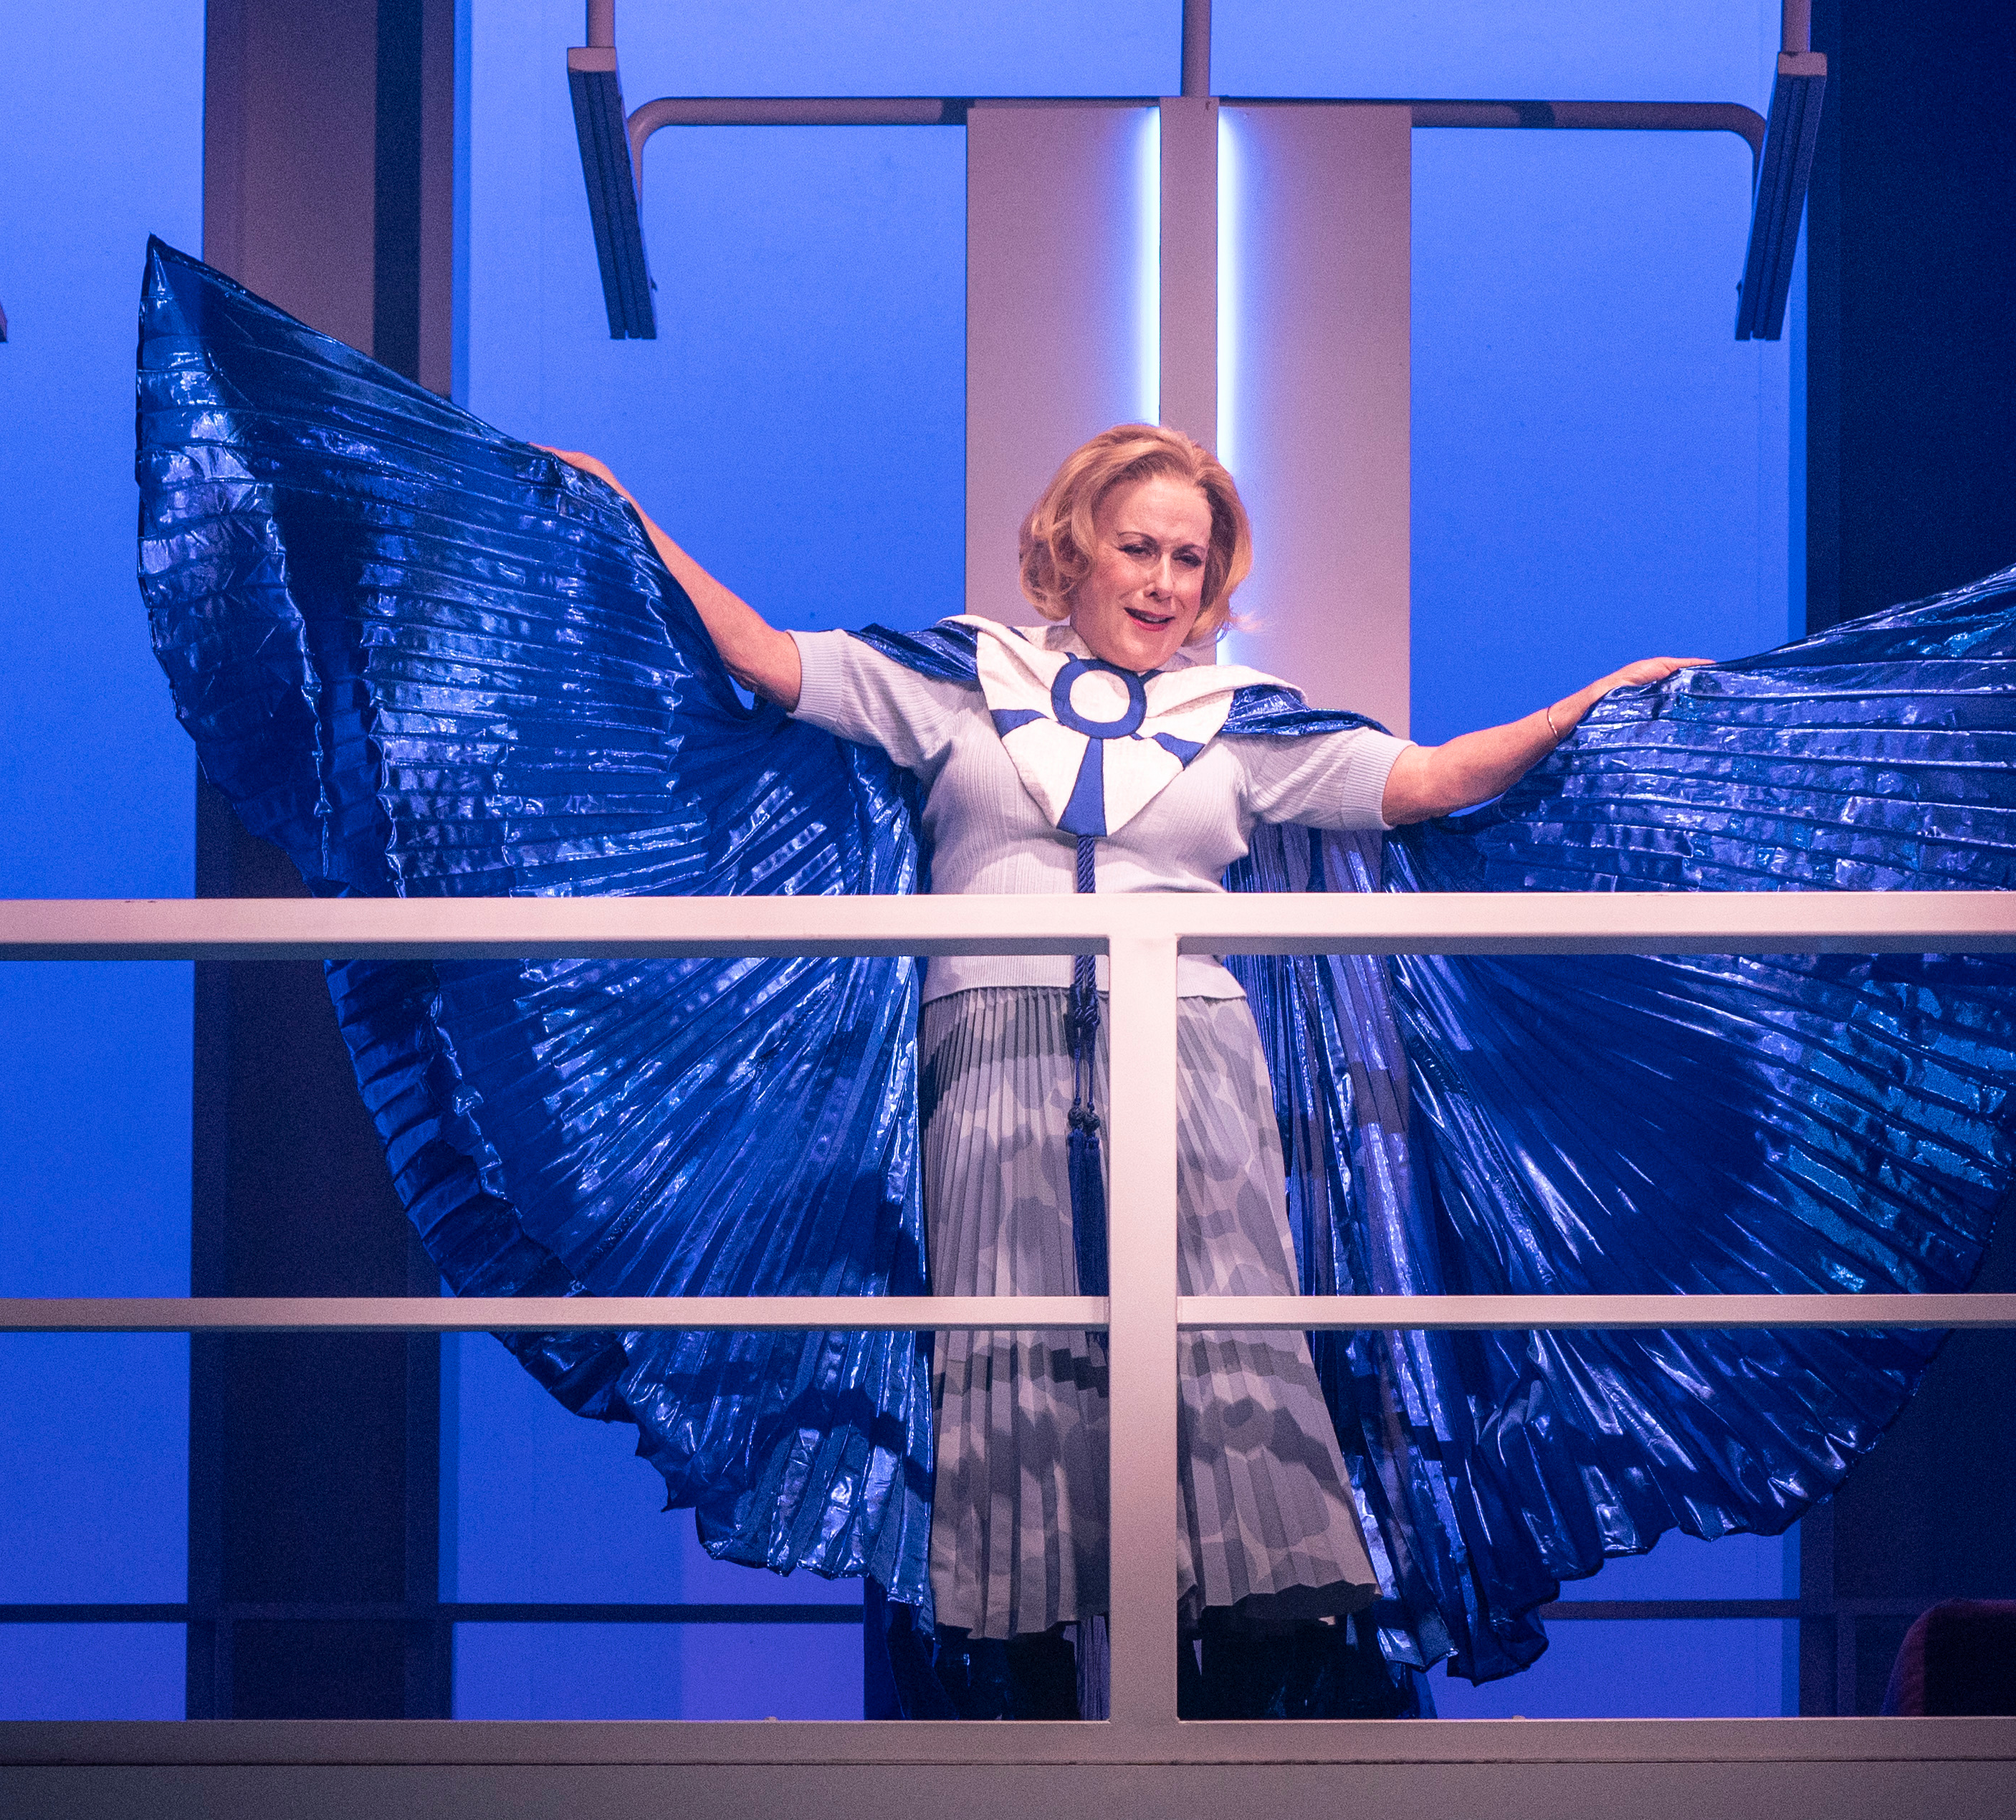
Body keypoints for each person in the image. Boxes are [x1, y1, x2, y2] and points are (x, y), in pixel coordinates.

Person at [539, 425, 1707, 1707]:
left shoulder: (1246, 727)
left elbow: (1422, 783)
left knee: (1226, 1338)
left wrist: (1582, 708)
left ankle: (1267, 1670)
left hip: (1193, 1055)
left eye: (1190, 562)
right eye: (1138, 547)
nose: (1163, 582)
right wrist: (629, 516)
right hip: (988, 1050)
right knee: (1007, 1335)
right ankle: (1010, 1661)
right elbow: (764, 658)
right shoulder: (957, 680)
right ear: (1070, 548)